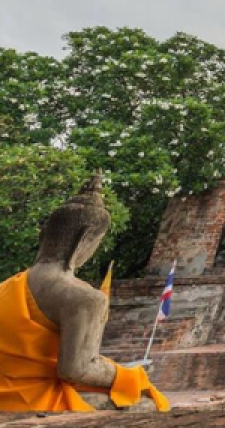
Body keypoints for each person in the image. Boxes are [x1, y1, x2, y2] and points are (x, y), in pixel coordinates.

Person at [0, 172, 168, 412]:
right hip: (31, 400)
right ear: (85, 239)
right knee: (147, 403)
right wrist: (130, 374)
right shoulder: (84, 298)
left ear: (43, 235)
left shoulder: (7, 287)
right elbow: (76, 370)